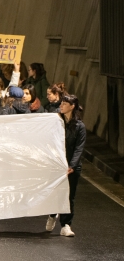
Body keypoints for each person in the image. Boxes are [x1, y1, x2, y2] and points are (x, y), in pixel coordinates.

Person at [46, 94, 85, 237]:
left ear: (72, 106)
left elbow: (79, 149)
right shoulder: (56, 122)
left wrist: (72, 166)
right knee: (55, 192)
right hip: (56, 165)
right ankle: (52, 214)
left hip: (72, 167)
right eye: (61, 103)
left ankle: (66, 225)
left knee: (69, 196)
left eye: (64, 103)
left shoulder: (79, 126)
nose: (61, 105)